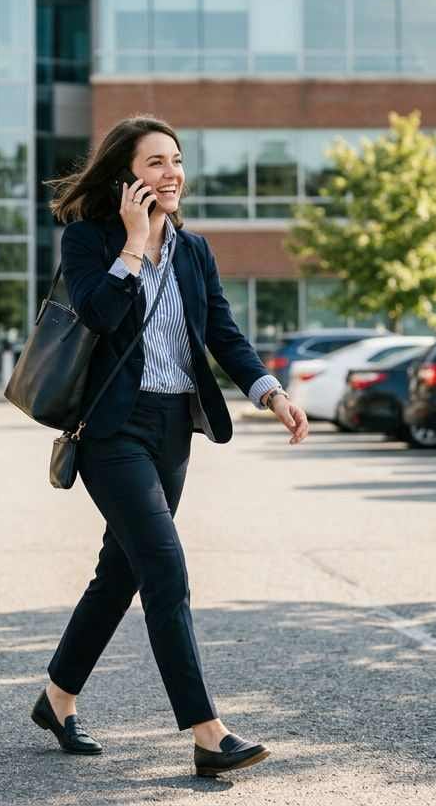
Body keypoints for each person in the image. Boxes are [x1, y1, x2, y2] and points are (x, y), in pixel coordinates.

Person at [30, 116, 309, 778]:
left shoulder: (194, 250)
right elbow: (96, 315)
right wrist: (131, 246)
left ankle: (57, 697)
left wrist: (272, 394)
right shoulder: (89, 240)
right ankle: (208, 733)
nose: (172, 172)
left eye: (177, 160)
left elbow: (223, 333)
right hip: (111, 433)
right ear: (127, 177)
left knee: (119, 573)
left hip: (171, 430)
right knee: (164, 568)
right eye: (156, 162)